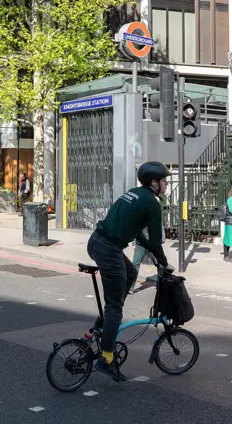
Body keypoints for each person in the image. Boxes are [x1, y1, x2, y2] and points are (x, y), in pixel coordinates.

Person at [86, 161, 173, 382]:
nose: (166, 184)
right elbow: (155, 241)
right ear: (153, 182)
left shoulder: (133, 193)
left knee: (131, 275)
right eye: (164, 181)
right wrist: (163, 262)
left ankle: (102, 324)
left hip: (96, 242)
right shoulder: (152, 204)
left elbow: (138, 233)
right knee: (115, 306)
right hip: (109, 250)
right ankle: (106, 358)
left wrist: (153, 255)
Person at [130, 196, 166, 294]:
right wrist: (134, 243)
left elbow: (160, 227)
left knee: (160, 265)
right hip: (140, 244)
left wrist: (161, 241)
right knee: (135, 264)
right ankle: (131, 287)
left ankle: (162, 285)